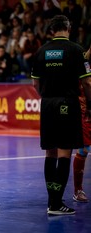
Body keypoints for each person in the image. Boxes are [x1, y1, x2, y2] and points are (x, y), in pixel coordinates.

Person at [31, 15, 91, 215]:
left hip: (47, 104)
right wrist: (90, 105)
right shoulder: (76, 51)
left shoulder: (41, 51)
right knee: (65, 152)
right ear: (68, 27)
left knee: (50, 152)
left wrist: (48, 97)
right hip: (67, 103)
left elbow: (35, 84)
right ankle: (56, 204)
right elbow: (87, 83)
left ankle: (52, 201)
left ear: (51, 30)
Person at [72, 45, 91, 203]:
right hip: (84, 110)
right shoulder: (83, 60)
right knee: (84, 149)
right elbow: (87, 84)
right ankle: (78, 190)